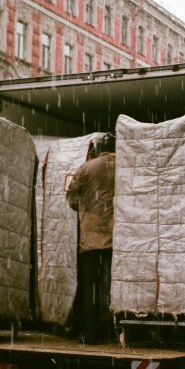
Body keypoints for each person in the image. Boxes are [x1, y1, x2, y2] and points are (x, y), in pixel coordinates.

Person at [66, 133, 116, 345]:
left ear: (96, 149)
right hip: (118, 237)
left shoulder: (86, 168)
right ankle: (117, 329)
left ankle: (92, 332)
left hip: (92, 237)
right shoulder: (126, 166)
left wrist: (83, 207)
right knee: (114, 285)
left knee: (90, 286)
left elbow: (71, 196)